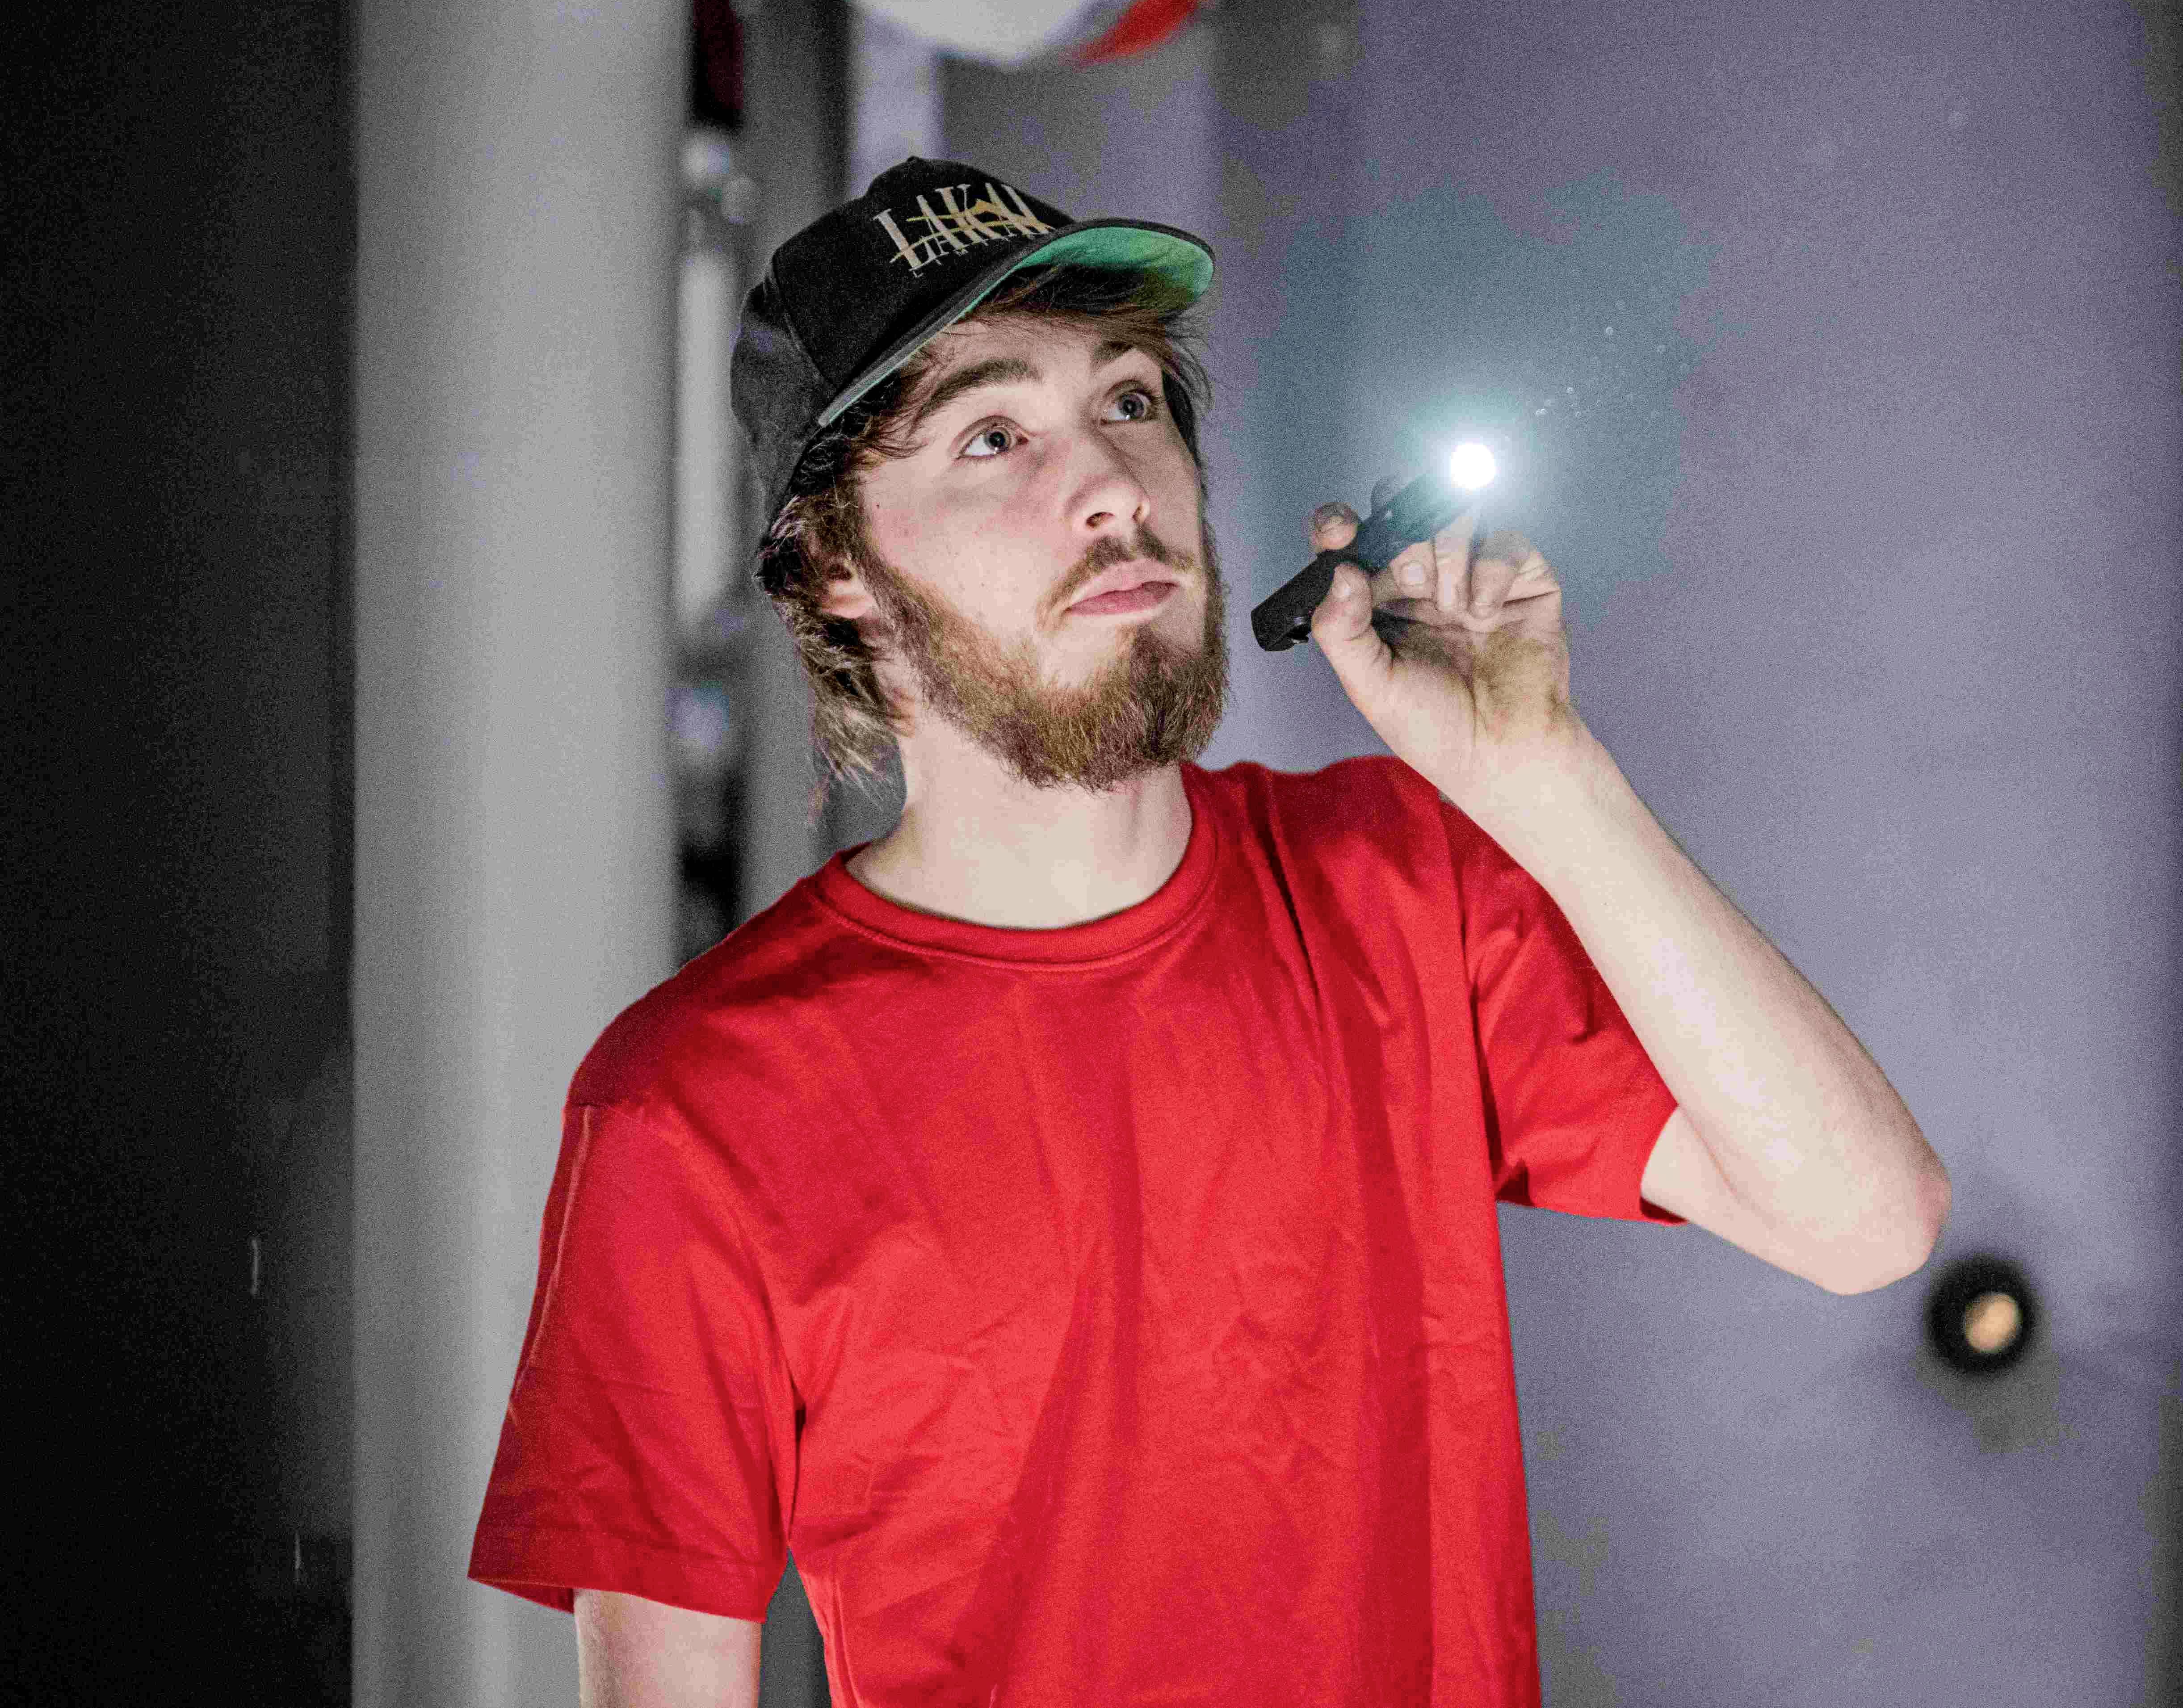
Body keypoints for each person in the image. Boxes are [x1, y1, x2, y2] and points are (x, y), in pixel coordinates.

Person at [466, 156, 1951, 1706]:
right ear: (835, 570)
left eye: (1131, 400)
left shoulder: (1401, 889)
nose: (1116, 483)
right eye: (994, 434)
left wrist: (1546, 779)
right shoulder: (688, 1109)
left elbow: (1866, 1217)